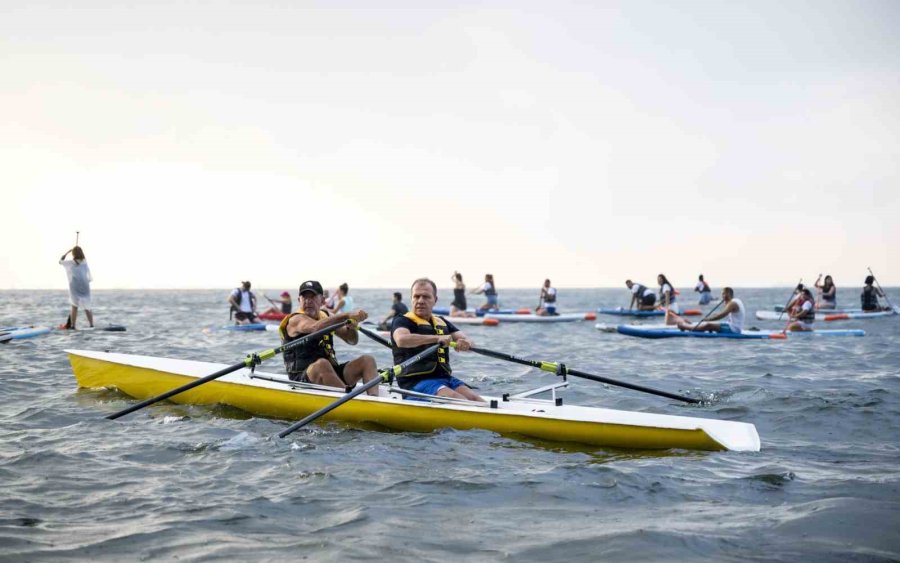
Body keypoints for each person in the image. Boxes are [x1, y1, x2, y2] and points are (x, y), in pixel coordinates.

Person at [278, 280, 378, 395]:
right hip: (302, 380)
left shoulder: (326, 315)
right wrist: (346, 315)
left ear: (322, 300)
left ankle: (375, 401)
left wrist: (352, 327)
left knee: (367, 360)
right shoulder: (295, 319)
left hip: (330, 373)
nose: (308, 301)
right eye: (304, 297)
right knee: (322, 364)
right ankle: (349, 403)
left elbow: (352, 340)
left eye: (313, 297)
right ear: (299, 300)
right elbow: (314, 327)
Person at [391, 278, 483, 401]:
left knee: (477, 400)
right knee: (460, 401)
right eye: (416, 296)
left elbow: (466, 339)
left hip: (445, 379)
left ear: (435, 299)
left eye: (426, 297)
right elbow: (402, 339)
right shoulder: (402, 320)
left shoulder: (441, 321)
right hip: (415, 383)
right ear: (411, 298)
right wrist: (437, 338)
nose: (420, 301)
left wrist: (465, 342)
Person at [668, 287, 744, 334]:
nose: (722, 296)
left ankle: (684, 326)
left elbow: (721, 315)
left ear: (728, 294)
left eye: (723, 294)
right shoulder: (735, 301)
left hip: (733, 330)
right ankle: (692, 325)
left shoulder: (732, 303)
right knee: (709, 324)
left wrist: (708, 319)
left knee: (708, 325)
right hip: (731, 326)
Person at [59, 246, 93, 329]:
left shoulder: (70, 262)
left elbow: (60, 261)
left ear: (73, 254)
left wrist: (67, 253)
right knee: (87, 306)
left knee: (74, 306)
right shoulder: (84, 262)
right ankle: (91, 325)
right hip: (85, 286)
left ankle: (73, 325)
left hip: (75, 286)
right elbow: (88, 276)